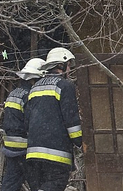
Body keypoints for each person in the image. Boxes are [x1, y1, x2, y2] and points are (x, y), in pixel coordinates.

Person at [25, 47, 82, 191]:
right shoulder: (64, 86)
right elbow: (71, 120)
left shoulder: (34, 88)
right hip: (56, 155)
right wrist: (81, 142)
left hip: (32, 154)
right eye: (69, 65)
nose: (69, 69)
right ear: (61, 65)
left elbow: (27, 121)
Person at [1, 57, 45, 191]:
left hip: (10, 147)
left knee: (11, 182)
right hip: (25, 148)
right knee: (37, 184)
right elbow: (32, 122)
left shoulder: (14, 93)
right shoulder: (30, 96)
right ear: (34, 79)